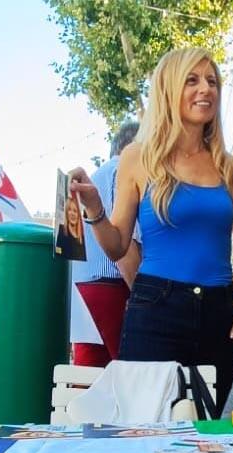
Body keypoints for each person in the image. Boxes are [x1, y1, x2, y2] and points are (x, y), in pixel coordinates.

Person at [69, 47, 233, 411]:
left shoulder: (230, 167)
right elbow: (117, 245)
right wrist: (94, 208)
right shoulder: (139, 158)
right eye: (192, 80)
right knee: (146, 425)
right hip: (156, 307)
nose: (205, 89)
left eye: (212, 81)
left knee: (205, 428)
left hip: (220, 312)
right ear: (169, 89)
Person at [71, 121, 142, 367]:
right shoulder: (122, 173)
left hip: (84, 289)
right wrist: (144, 298)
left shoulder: (97, 176)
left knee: (88, 379)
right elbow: (125, 247)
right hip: (110, 289)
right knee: (129, 375)